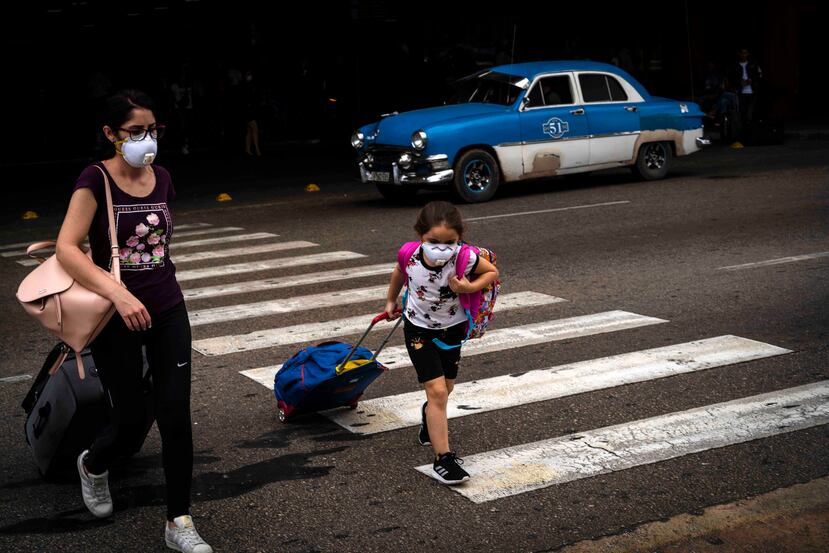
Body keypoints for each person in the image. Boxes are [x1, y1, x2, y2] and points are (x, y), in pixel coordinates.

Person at [55, 90, 212, 553]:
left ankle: (178, 521)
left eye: (153, 130)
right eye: (135, 131)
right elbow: (67, 247)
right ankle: (94, 463)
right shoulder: (94, 178)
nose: (147, 139)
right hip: (114, 314)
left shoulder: (162, 177)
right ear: (111, 134)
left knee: (175, 416)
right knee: (128, 421)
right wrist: (120, 295)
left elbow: (160, 245)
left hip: (167, 309)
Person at [383, 201, 499, 485]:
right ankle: (443, 459)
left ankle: (427, 416)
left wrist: (469, 287)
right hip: (418, 331)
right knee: (437, 392)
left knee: (446, 389)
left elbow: (491, 273)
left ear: (459, 239)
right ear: (420, 236)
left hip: (452, 330)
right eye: (433, 241)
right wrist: (390, 300)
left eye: (450, 242)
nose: (441, 248)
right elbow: (400, 272)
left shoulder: (465, 257)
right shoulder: (409, 254)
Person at [731, 48, 763, 136]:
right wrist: (739, 82)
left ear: (748, 54)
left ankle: (751, 132)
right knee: (742, 112)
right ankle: (743, 132)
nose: (743, 55)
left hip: (752, 91)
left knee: (751, 112)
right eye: (742, 53)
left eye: (745, 53)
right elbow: (731, 78)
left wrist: (751, 80)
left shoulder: (753, 64)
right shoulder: (735, 65)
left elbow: (759, 75)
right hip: (741, 92)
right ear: (739, 54)